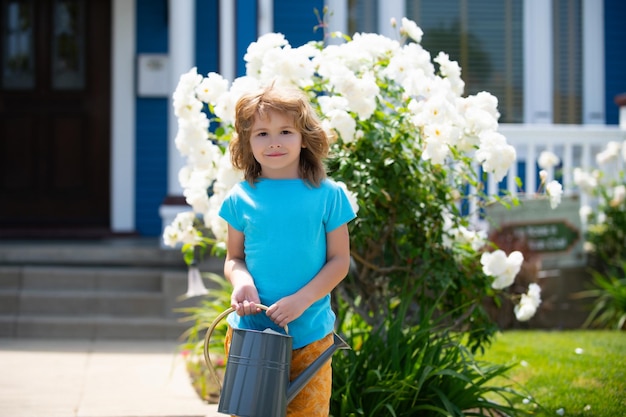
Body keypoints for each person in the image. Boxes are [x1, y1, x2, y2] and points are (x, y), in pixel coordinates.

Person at [218, 84, 356, 416]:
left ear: (304, 137)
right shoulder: (240, 198)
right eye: (262, 133)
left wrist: (302, 300)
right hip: (251, 335)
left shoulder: (328, 195)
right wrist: (242, 282)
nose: (274, 141)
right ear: (247, 142)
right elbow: (234, 259)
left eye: (285, 131)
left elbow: (339, 261)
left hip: (309, 335)